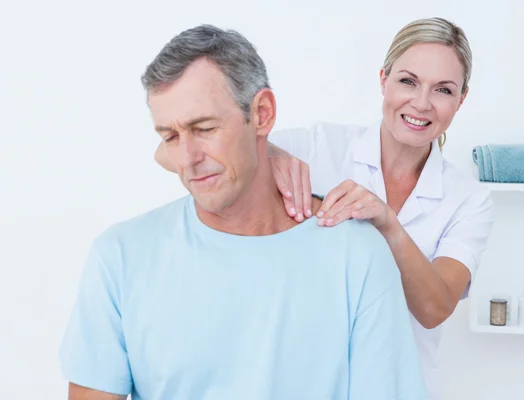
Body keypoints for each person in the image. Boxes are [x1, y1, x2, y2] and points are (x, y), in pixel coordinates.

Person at [58, 24, 428, 400]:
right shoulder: (120, 256)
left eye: (204, 128)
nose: (187, 160)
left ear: (262, 114)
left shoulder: (357, 256)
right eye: (170, 136)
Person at [154, 16, 495, 400]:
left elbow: (435, 307)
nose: (421, 103)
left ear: (461, 99)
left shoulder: (468, 199)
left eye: (443, 90)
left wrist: (388, 224)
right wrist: (270, 153)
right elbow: (171, 154)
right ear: (383, 79)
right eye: (408, 81)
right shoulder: (319, 147)